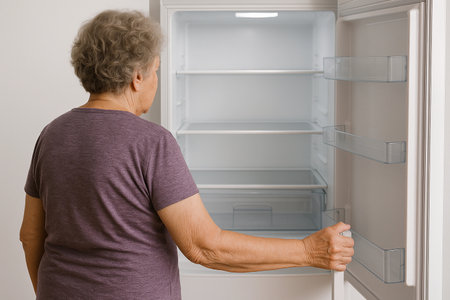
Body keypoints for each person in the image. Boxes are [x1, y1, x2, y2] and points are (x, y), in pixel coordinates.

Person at [20, 10, 354, 300]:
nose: (155, 79)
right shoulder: (151, 142)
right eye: (154, 70)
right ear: (137, 77)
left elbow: (31, 235)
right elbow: (205, 246)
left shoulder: (51, 135)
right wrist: (309, 251)